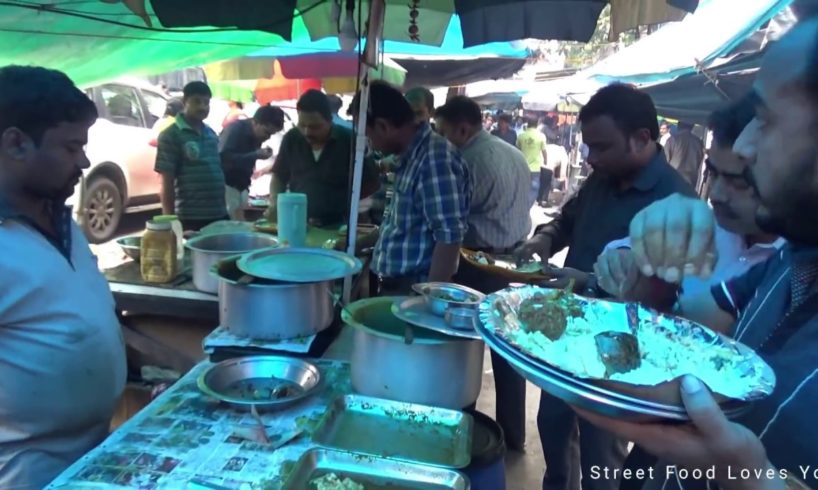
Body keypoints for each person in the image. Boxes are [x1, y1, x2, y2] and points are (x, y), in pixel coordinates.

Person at [586, 18, 818, 490]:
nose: (747, 145)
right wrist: (657, 255)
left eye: (768, 119)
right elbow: (675, 332)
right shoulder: (793, 263)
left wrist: (755, 482)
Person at [597, 93, 784, 487]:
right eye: (713, 173)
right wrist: (627, 261)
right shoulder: (710, 227)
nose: (716, 193)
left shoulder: (792, 267)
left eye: (739, 182)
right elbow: (659, 289)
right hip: (662, 439)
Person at [514, 83, 695, 490]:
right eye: (589, 147)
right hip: (568, 335)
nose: (591, 158)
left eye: (602, 147)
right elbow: (567, 219)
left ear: (642, 139)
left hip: (621, 355)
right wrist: (544, 238)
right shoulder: (602, 179)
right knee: (553, 426)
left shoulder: (678, 206)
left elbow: (673, 303)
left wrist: (592, 282)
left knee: (601, 456)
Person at [0, 65, 126, 489]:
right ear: (16, 143)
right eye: (72, 147)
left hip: (95, 452)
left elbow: (79, 319)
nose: (86, 161)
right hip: (25, 473)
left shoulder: (59, 215)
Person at [435, 96, 532, 451]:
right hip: (511, 262)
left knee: (466, 349)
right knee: (507, 352)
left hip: (478, 264)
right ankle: (514, 435)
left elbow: (452, 220)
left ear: (462, 128)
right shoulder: (513, 152)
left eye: (444, 132)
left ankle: (463, 426)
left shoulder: (466, 160)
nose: (443, 140)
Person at [367, 81, 470, 294]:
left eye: (369, 136)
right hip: (396, 285)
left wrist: (428, 299)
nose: (372, 145)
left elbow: (449, 237)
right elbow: (402, 225)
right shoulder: (409, 156)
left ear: (383, 127)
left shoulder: (435, 159)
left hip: (413, 290)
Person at [265, 89, 379, 226]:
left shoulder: (350, 141)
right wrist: (275, 202)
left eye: (315, 127)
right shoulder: (292, 138)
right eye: (302, 125)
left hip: (340, 224)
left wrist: (344, 203)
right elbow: (279, 176)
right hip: (299, 221)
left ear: (330, 120)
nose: (307, 132)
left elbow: (371, 182)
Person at [155, 81, 227, 231]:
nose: (202, 107)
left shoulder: (211, 134)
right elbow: (166, 181)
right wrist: (170, 221)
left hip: (219, 214)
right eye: (196, 101)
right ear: (184, 102)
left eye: (206, 103)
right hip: (190, 218)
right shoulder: (170, 135)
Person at [219, 105, 284, 220]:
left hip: (242, 186)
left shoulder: (255, 135)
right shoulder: (235, 130)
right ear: (255, 122)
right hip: (227, 186)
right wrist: (255, 155)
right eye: (266, 132)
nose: (267, 137)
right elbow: (223, 159)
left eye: (271, 135)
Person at [517, 116, 548, 206]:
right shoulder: (541, 136)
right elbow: (544, 151)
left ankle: (521, 205)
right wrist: (546, 160)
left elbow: (517, 149)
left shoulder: (521, 136)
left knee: (522, 187)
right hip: (535, 167)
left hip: (522, 166)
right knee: (534, 189)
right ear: (537, 123)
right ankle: (527, 206)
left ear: (528, 123)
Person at [664, 121, 705, 187]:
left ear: (679, 126)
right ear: (692, 127)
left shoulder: (672, 139)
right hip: (690, 181)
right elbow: (700, 162)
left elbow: (665, 161)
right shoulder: (698, 142)